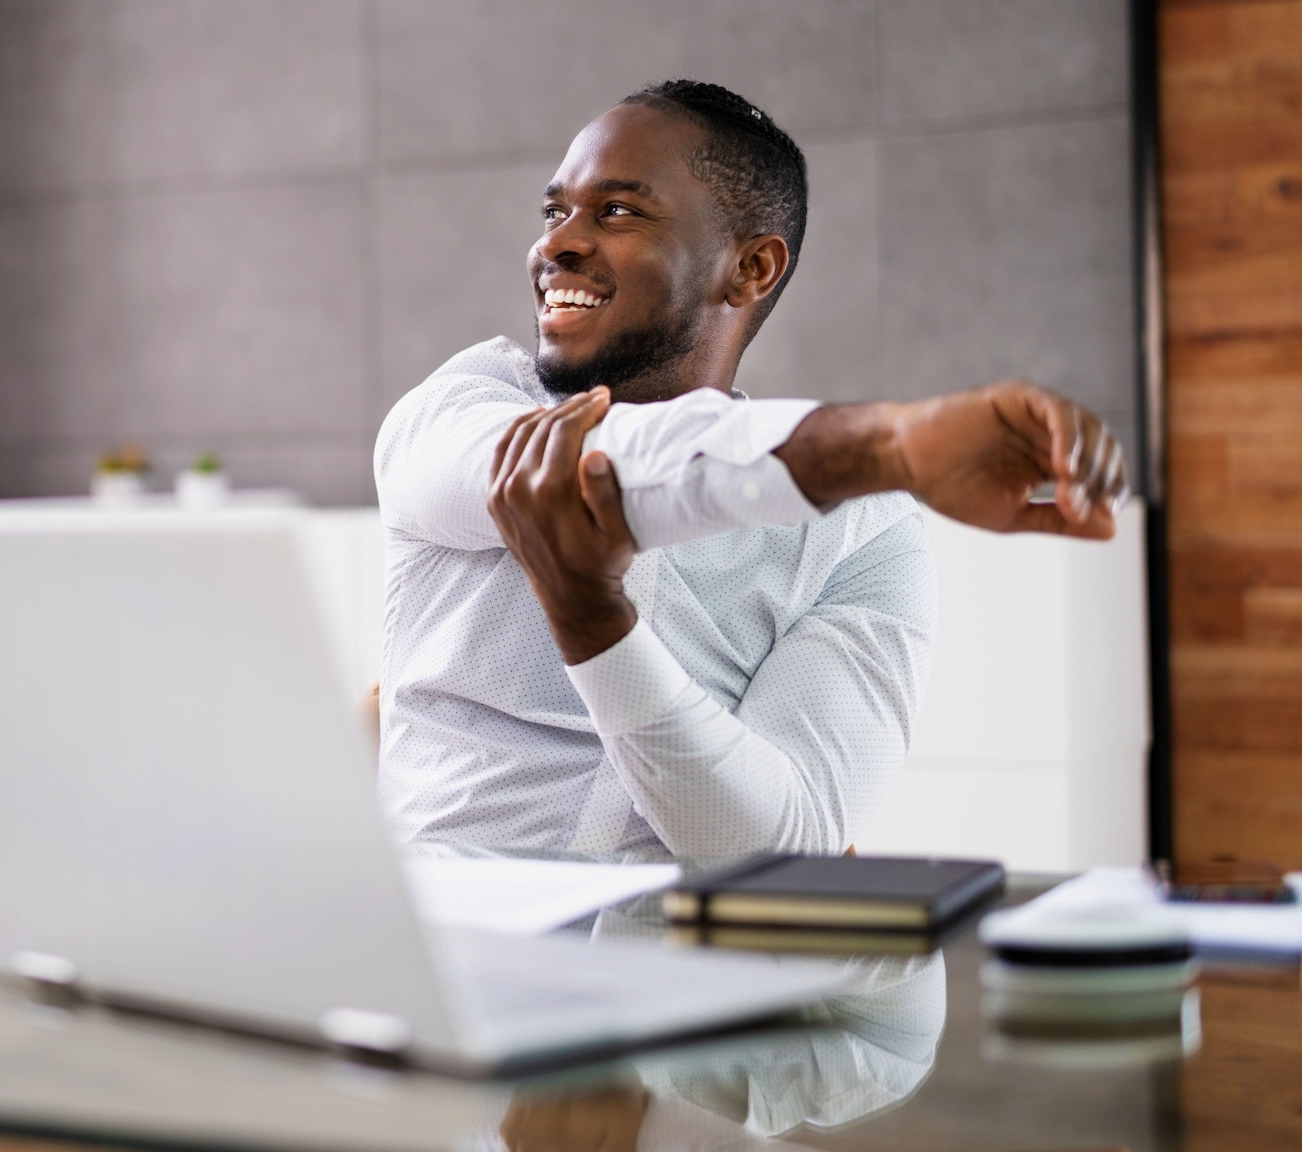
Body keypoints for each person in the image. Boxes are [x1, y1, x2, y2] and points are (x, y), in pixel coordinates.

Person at [373, 79, 1126, 857]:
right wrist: (890, 444)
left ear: (751, 268)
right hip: (426, 951)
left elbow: (784, 838)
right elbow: (569, 472)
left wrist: (597, 626)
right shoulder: (463, 407)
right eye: (555, 210)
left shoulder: (864, 529)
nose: (556, 243)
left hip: (683, 972)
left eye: (618, 211)